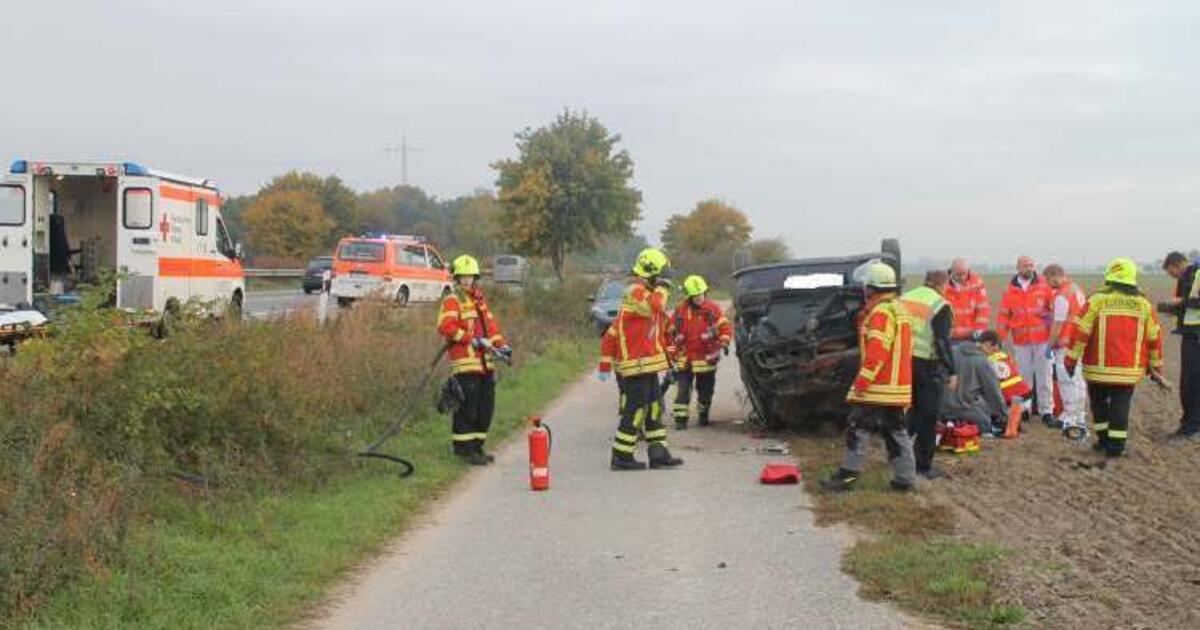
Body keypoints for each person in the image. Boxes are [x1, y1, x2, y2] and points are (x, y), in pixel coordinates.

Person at [821, 262, 917, 493]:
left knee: (857, 427)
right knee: (896, 431)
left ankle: (847, 477)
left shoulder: (881, 313)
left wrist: (863, 380)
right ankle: (905, 480)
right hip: (897, 386)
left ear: (871, 288)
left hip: (878, 385)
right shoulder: (898, 308)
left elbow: (877, 351)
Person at [1065, 258, 1165, 457]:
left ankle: (1103, 440)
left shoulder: (1096, 300)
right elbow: (1154, 338)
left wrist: (1070, 360)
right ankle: (1117, 445)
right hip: (1128, 370)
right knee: (1121, 404)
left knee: (1098, 403)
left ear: (1109, 277)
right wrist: (1156, 367)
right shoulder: (1143, 304)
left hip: (1097, 368)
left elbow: (1079, 332)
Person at [598, 248, 685, 470]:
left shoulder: (645, 292)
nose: (665, 278)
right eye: (662, 273)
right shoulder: (635, 291)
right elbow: (656, 305)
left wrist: (672, 354)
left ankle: (658, 453)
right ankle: (621, 456)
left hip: (647, 364)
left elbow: (661, 326)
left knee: (655, 408)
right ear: (651, 272)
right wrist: (663, 285)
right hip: (635, 365)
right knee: (635, 411)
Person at [437, 254, 512, 465]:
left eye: (470, 276)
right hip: (465, 363)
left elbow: (492, 328)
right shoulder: (453, 299)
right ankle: (463, 450)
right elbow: (446, 327)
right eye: (463, 277)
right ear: (457, 278)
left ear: (475, 277)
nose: (467, 280)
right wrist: (473, 340)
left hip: (485, 364)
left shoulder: (479, 300)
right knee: (467, 409)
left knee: (485, 408)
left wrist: (502, 346)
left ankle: (478, 448)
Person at [899, 270, 958, 480]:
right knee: (928, 414)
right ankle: (923, 465)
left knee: (912, 411)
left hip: (902, 360)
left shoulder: (905, 298)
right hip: (925, 363)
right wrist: (952, 370)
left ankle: (898, 455)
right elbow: (942, 342)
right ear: (943, 285)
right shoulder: (939, 305)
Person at [997, 256, 1056, 426]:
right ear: (1018, 268)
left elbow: (1054, 312)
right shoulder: (1009, 291)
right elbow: (1003, 317)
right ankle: (1026, 410)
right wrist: (1000, 339)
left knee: (1045, 376)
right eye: (1025, 265)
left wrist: (1053, 334)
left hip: (1043, 341)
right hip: (1021, 341)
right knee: (1024, 377)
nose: (1029, 268)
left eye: (1031, 265)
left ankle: (1047, 411)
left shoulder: (1044, 286)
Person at [670, 275, 732, 429]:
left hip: (706, 359)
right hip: (685, 358)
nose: (699, 298)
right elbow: (669, 330)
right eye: (695, 296)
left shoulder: (713, 309)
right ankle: (680, 420)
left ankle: (703, 415)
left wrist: (724, 341)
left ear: (705, 292)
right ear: (689, 297)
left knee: (705, 390)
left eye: (701, 294)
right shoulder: (680, 310)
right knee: (683, 390)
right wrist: (671, 349)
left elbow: (725, 326)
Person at [1044, 264, 1089, 435]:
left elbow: (1058, 323)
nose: (1049, 284)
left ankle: (1070, 416)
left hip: (1065, 344)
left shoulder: (1062, 296)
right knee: (1077, 380)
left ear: (1054, 276)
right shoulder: (1076, 290)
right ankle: (1078, 414)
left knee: (1066, 381)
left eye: (1048, 280)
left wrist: (1049, 344)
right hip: (1078, 342)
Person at [1160, 251, 1200, 437]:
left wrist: (1181, 301)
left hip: (1197, 335)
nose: (1172, 276)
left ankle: (1192, 426)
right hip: (1190, 333)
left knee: (1192, 383)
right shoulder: (1185, 279)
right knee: (1188, 382)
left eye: (1171, 272)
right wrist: (1173, 308)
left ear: (1178, 265)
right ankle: (1189, 422)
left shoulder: (1197, 274)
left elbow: (1192, 302)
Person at [939, 340, 1008, 437]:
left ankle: (945, 424)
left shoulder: (952, 350)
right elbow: (993, 393)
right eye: (993, 351)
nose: (992, 355)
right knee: (985, 423)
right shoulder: (982, 362)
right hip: (962, 408)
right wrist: (1005, 416)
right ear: (987, 344)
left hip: (940, 406)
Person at [978, 330, 1032, 409]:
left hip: (1010, 401)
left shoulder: (986, 362)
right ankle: (1020, 412)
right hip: (1027, 396)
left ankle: (1012, 414)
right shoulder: (1005, 356)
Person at [944, 258, 991, 341]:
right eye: (958, 275)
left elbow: (983, 309)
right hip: (950, 336)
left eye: (964, 274)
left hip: (972, 336)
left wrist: (980, 330)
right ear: (951, 271)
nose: (962, 277)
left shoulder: (977, 283)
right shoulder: (943, 284)